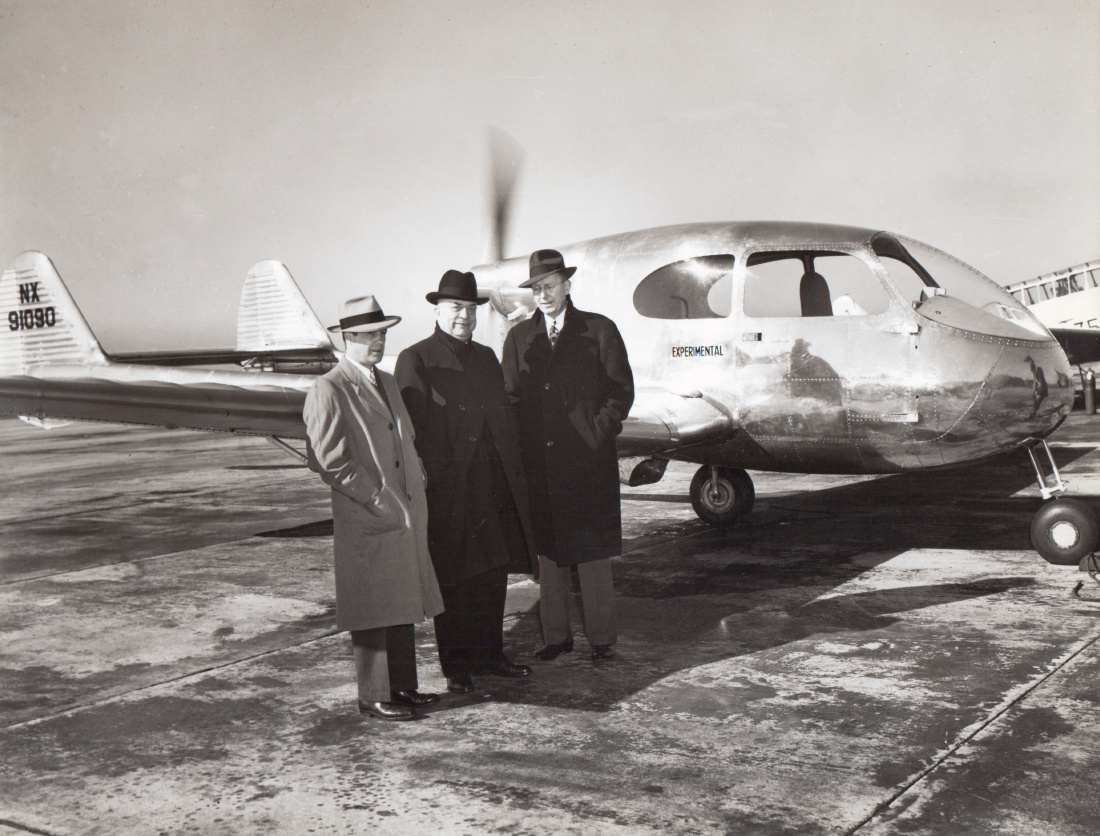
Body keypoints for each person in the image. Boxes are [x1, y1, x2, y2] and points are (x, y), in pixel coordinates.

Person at [395, 270, 539, 694]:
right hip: (448, 488)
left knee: (492, 573)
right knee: (453, 578)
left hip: (491, 483)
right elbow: (410, 430)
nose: (464, 316)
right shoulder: (416, 358)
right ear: (438, 311)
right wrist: (433, 479)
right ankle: (457, 666)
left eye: (471, 309)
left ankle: (491, 655)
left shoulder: (486, 357)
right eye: (456, 308)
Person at [302, 295, 444, 721]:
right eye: (368, 335)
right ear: (348, 337)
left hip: (402, 510)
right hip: (368, 512)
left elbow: (406, 437)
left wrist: (417, 478)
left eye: (381, 333)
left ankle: (402, 686)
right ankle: (373, 694)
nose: (378, 341)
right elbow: (326, 460)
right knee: (372, 605)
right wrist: (375, 496)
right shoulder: (329, 387)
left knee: (400, 598)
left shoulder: (386, 381)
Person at [501, 249, 634, 662]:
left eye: (550, 286)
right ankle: (556, 638)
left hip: (587, 464)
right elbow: (511, 399)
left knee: (592, 554)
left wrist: (597, 434)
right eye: (537, 288)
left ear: (567, 285)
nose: (543, 295)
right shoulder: (519, 338)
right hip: (541, 467)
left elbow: (620, 392)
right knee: (549, 555)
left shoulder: (599, 329)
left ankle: (602, 639)